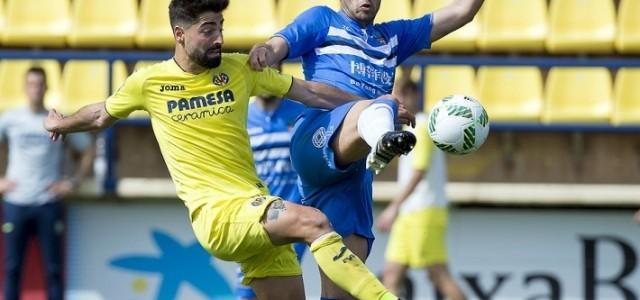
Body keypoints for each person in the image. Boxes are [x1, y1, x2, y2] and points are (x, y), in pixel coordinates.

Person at [43, 1, 407, 299]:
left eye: (220, 27)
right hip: (218, 215)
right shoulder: (149, 82)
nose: (219, 37)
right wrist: (60, 123)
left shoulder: (238, 69)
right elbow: (99, 114)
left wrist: (375, 108)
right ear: (179, 34)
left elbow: (310, 92)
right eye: (208, 29)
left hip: (254, 206)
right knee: (315, 222)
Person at [249, 0, 483, 298]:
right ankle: (383, 136)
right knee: (384, 102)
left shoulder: (393, 38)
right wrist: (266, 51)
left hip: (354, 174)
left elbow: (462, 12)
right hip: (317, 139)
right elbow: (280, 43)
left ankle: (380, 134)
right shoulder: (323, 20)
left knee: (343, 291)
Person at [1, 67, 94, 300]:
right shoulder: (10, 119)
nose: (36, 89)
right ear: (24, 88)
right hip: (16, 203)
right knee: (12, 269)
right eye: (31, 84)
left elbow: (88, 149)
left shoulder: (56, 120)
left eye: (40, 84)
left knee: (53, 270)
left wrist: (73, 182)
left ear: (46, 87)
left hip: (48, 204)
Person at [376, 78, 466, 300]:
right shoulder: (411, 128)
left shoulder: (423, 126)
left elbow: (419, 172)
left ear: (414, 96)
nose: (398, 102)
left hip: (424, 212)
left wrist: (393, 208)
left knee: (438, 274)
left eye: (401, 96)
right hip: (410, 214)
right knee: (391, 275)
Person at [236, 93, 306, 299]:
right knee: (247, 289)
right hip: (255, 217)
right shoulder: (240, 114)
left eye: (271, 63)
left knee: (283, 286)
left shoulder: (300, 111)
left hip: (293, 215)